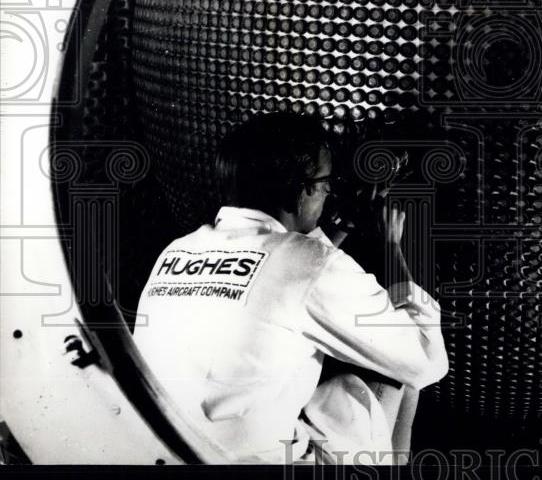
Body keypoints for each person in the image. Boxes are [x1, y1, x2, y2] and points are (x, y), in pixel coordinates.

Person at [131, 112, 448, 464]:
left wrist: (346, 224)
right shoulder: (310, 261)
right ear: (303, 188)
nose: (329, 192)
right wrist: (391, 247)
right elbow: (424, 360)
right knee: (391, 374)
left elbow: (283, 272)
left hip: (168, 450)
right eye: (327, 182)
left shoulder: (177, 250)